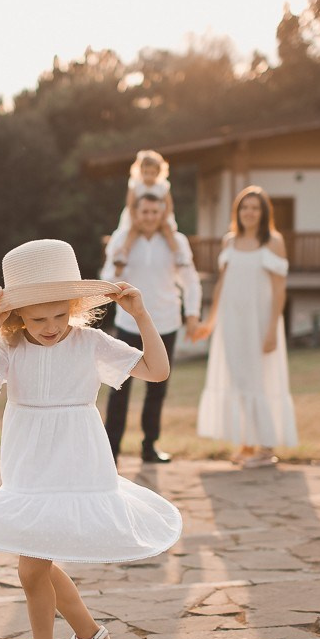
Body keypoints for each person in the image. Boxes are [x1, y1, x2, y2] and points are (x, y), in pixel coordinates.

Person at [0, 239, 182, 639]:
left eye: (60, 315)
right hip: (29, 467)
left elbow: (157, 371)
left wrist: (141, 315)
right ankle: (91, 638)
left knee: (31, 567)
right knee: (38, 554)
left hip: (77, 463)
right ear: (17, 316)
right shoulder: (10, 347)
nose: (52, 327)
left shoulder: (90, 343)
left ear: (74, 306)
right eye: (38, 319)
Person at [191, 185, 298, 468]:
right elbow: (223, 285)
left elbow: (279, 290)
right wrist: (210, 322)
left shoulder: (273, 242)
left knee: (258, 380)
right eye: (245, 207)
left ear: (264, 213)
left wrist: (273, 329)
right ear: (238, 212)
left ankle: (265, 447)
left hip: (260, 322)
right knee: (238, 380)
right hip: (232, 323)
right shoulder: (229, 241)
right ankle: (247, 443)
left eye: (255, 208)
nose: (249, 212)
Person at [102, 194, 202, 463]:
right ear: (135, 213)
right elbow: (106, 280)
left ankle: (150, 446)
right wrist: (119, 263)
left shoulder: (176, 242)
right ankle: (110, 451)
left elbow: (190, 281)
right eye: (144, 212)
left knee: (158, 386)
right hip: (128, 323)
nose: (149, 217)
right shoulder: (121, 239)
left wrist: (192, 314)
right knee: (119, 386)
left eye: (154, 212)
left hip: (165, 322)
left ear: (163, 213)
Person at [109, 149, 189, 267]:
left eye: (152, 173)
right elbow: (130, 204)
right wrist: (135, 219)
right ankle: (123, 253)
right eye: (146, 173)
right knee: (133, 231)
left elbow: (168, 204)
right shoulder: (136, 185)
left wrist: (164, 218)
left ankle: (178, 254)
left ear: (158, 173)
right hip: (138, 216)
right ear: (140, 171)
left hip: (159, 216)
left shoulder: (162, 186)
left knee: (168, 230)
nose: (149, 176)